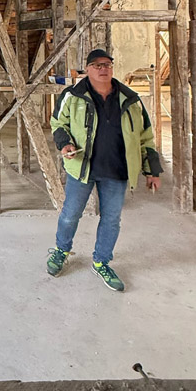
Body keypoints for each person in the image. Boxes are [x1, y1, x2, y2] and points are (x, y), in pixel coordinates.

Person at [46, 49, 162, 291]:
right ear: (87, 69)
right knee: (70, 214)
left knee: (111, 220)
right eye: (97, 64)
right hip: (82, 167)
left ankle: (101, 261)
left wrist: (152, 170)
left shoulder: (131, 99)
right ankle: (61, 249)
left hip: (118, 169)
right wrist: (65, 143)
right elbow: (58, 122)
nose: (103, 68)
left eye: (108, 64)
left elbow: (145, 136)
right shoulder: (73, 95)